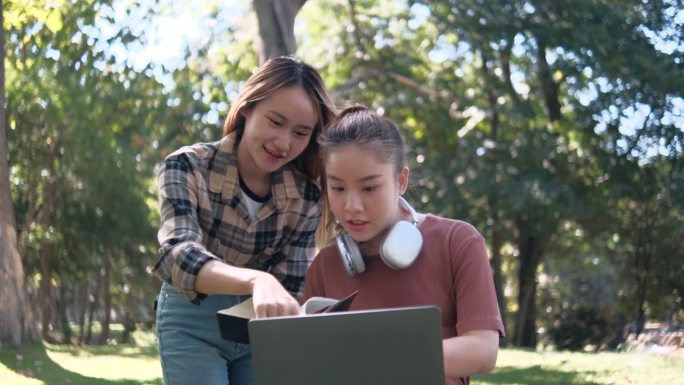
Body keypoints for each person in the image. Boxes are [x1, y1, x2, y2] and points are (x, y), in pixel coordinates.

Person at [151, 56, 336, 385]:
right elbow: (176, 256)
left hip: (260, 325)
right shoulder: (187, 166)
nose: (284, 143)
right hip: (192, 321)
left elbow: (291, 284)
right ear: (248, 107)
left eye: (300, 132)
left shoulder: (306, 196)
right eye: (275, 122)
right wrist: (256, 281)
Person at [303, 104, 505, 385]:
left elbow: (483, 351)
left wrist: (380, 355)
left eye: (369, 188)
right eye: (337, 188)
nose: (351, 206)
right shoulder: (325, 266)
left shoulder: (458, 241)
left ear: (401, 181)